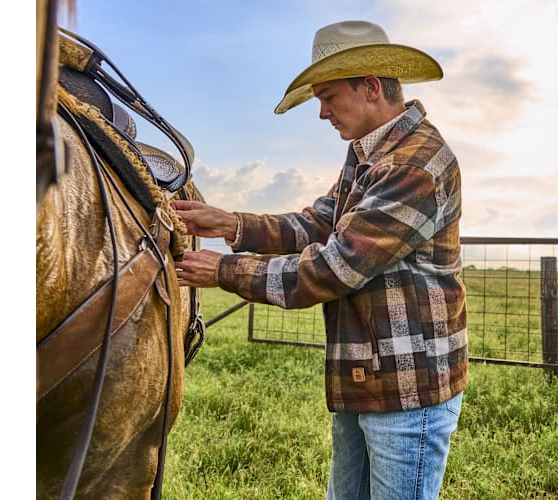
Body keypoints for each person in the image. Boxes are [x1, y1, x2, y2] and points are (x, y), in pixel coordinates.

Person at [172, 20, 468, 500]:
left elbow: (336, 266)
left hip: (407, 388)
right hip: (368, 374)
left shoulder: (415, 164)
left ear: (371, 87)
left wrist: (223, 270)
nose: (322, 112)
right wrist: (233, 225)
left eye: (328, 97)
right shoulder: (368, 154)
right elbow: (318, 222)